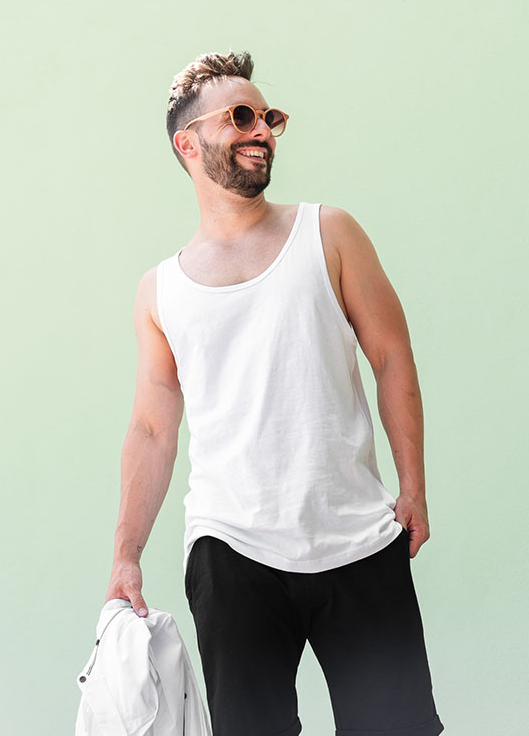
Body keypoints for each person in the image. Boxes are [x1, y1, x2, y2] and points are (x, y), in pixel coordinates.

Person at [105, 50, 445, 736]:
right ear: (188, 144)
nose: (262, 130)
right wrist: (126, 553)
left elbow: (391, 356)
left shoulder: (330, 233)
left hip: (356, 534)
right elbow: (152, 429)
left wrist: (412, 486)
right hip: (230, 547)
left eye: (269, 117)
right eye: (241, 117)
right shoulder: (160, 291)